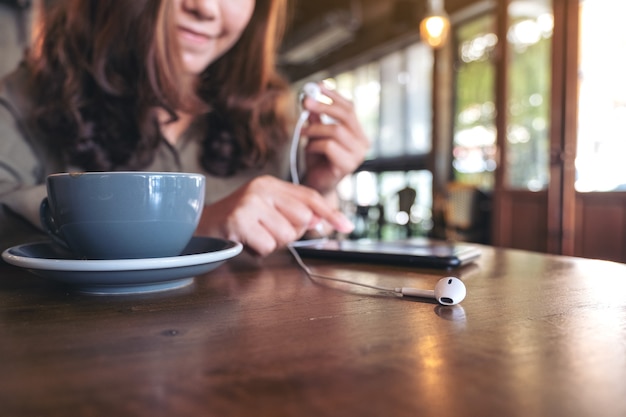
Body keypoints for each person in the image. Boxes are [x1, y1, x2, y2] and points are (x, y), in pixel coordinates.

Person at [0, 0, 369, 256]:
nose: (206, 8)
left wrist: (319, 188)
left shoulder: (273, 120)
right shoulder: (27, 96)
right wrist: (200, 225)